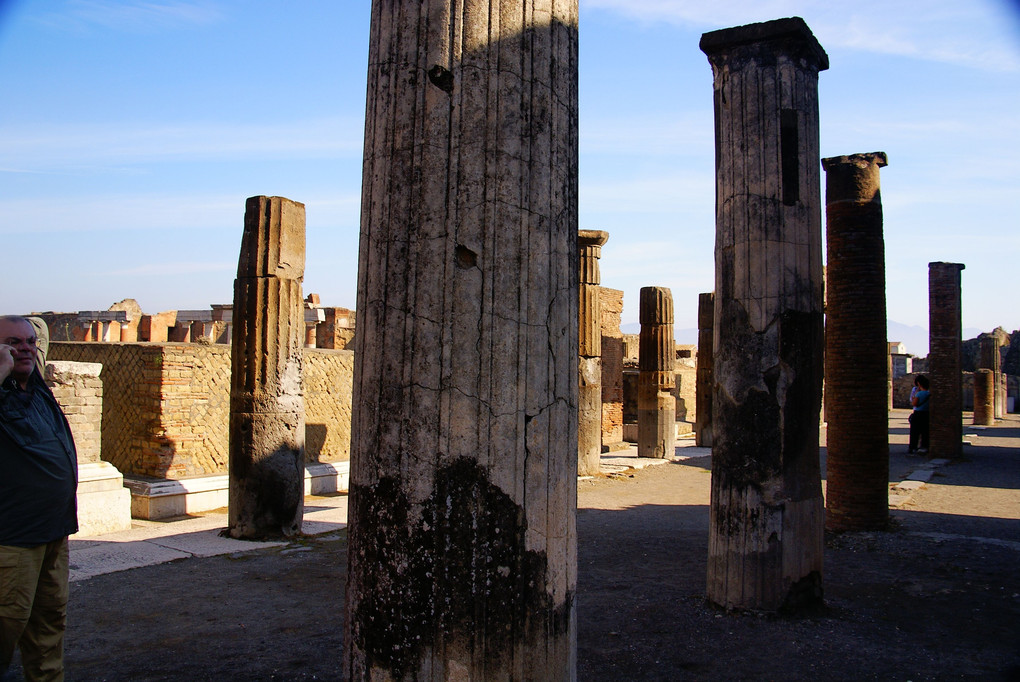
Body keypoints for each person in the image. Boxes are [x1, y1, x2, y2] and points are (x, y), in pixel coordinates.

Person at [0, 315, 78, 681]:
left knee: (49, 630)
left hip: (53, 533)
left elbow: (41, 336)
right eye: (13, 343)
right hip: (12, 540)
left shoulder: (36, 388)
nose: (26, 349)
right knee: (5, 627)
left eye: (30, 342)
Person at [908, 374, 931, 455]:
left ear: (919, 384)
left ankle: (913, 447)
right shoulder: (930, 393)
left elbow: (914, 403)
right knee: (925, 432)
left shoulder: (919, 394)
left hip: (918, 414)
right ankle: (924, 446)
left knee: (915, 432)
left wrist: (915, 395)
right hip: (927, 414)